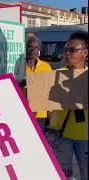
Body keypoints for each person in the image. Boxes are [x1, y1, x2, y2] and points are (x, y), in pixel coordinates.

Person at [48, 31, 88, 180]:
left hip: (85, 137)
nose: (67, 53)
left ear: (85, 53)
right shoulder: (54, 75)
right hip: (61, 135)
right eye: (65, 49)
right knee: (63, 176)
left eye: (73, 50)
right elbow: (40, 106)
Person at [25, 35, 52, 132]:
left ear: (39, 50)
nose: (33, 50)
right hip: (23, 113)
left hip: (40, 114)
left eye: (36, 47)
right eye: (30, 46)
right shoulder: (19, 66)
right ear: (26, 47)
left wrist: (49, 112)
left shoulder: (46, 67)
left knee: (39, 143)